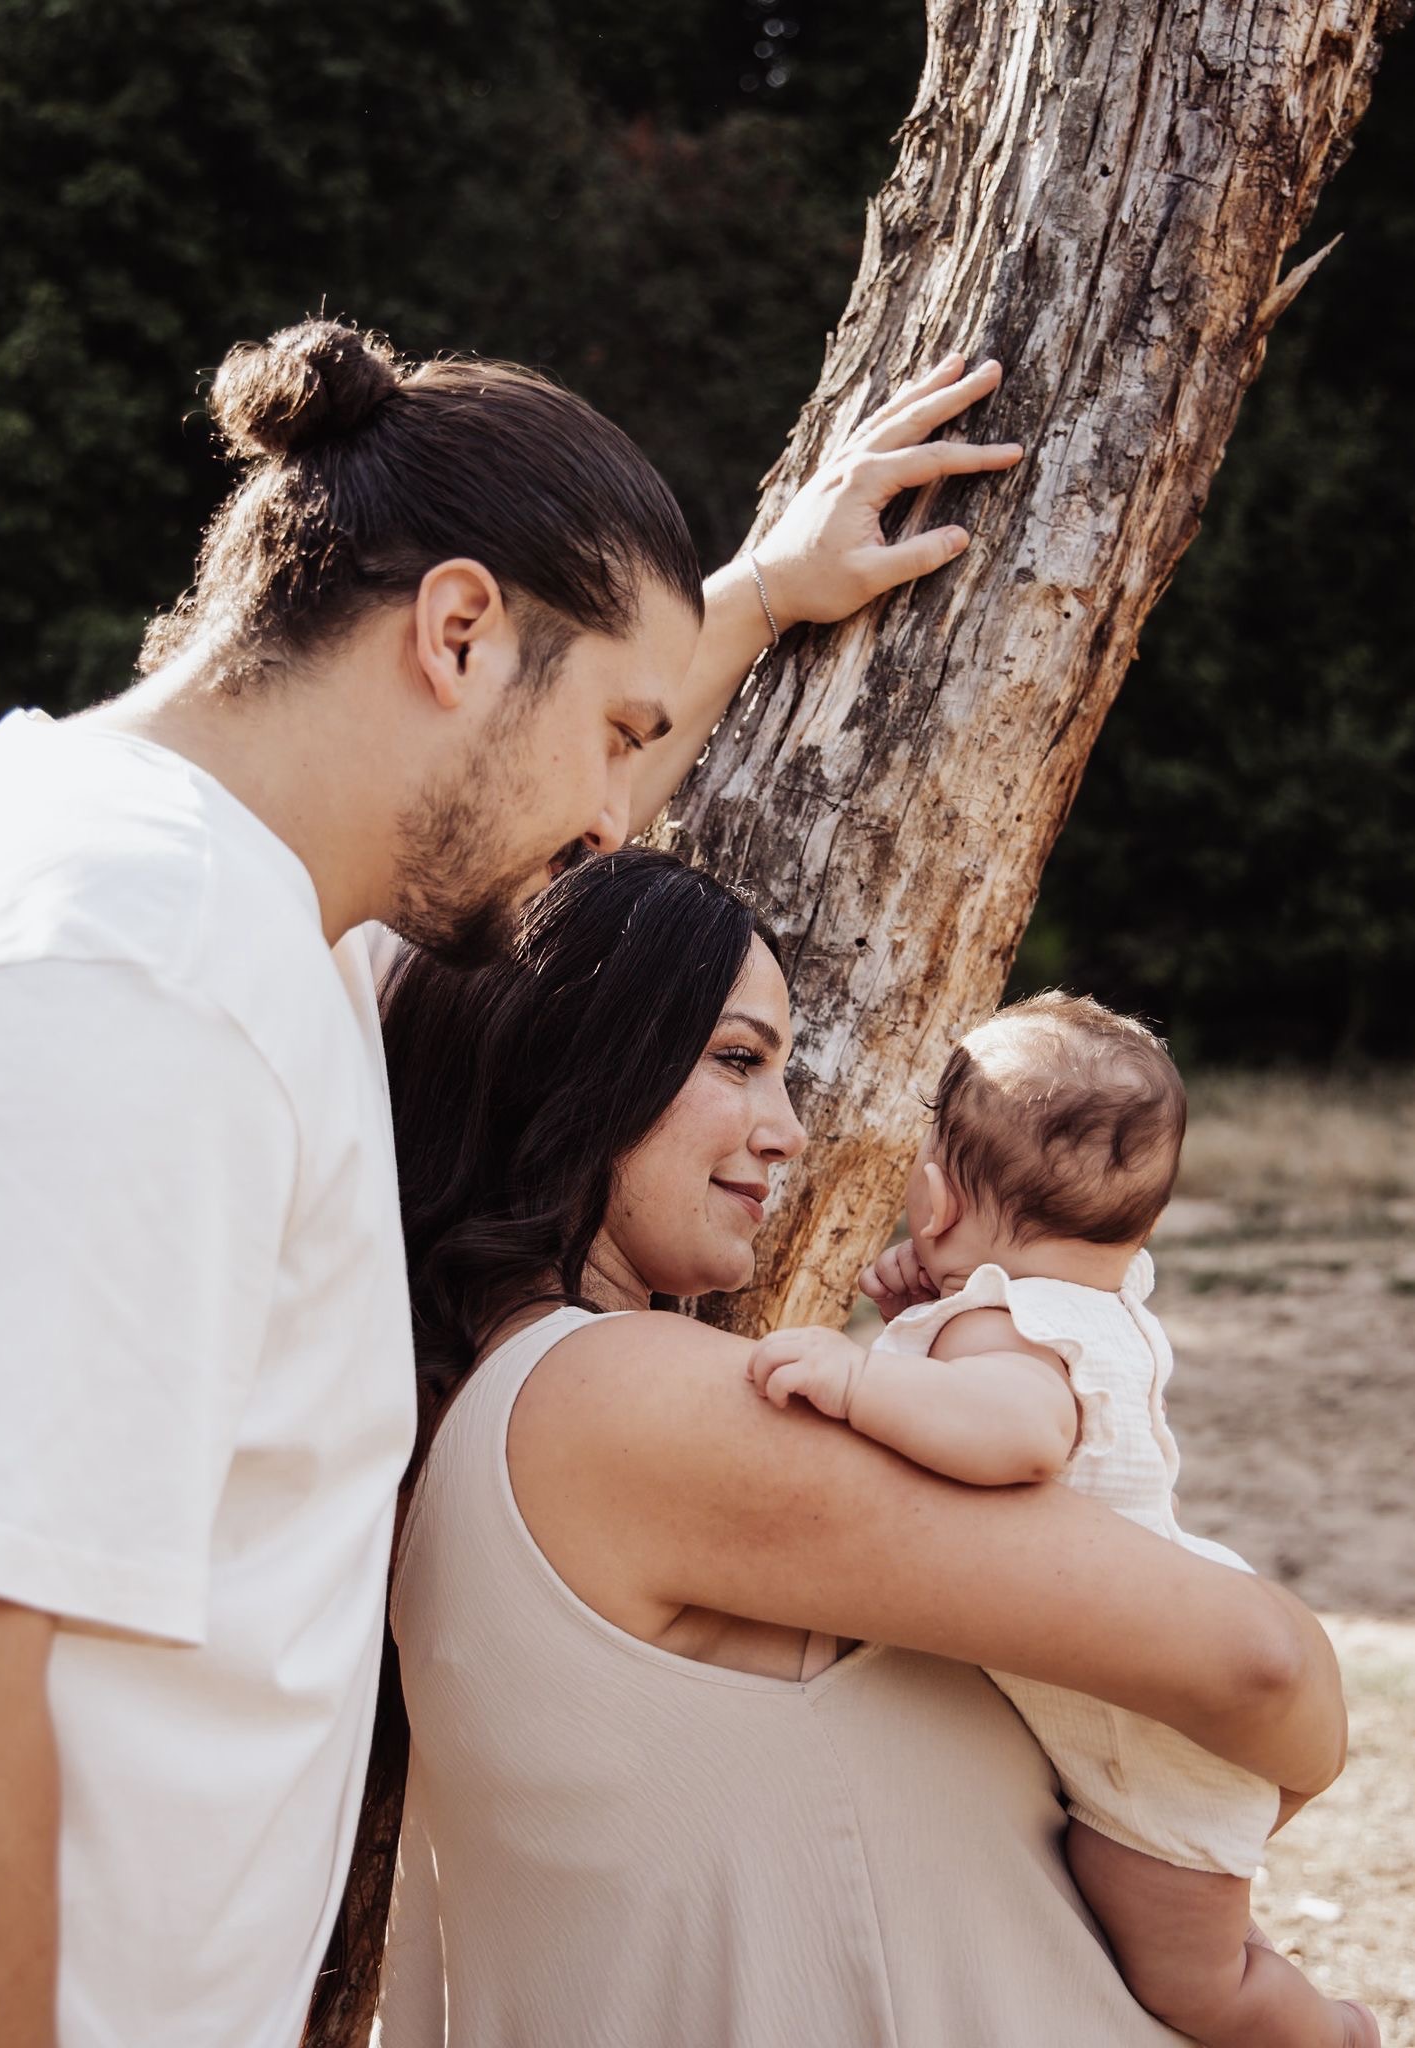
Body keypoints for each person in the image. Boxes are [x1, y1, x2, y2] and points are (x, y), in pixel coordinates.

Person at [0, 315, 1019, 2048]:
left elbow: (540, 764)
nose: (623, 814)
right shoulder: (120, 977)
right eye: (623, 732)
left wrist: (757, 594)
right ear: (457, 629)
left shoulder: (256, 917)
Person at [374, 848, 1347, 2048]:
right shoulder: (617, 1396)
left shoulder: (498, 1416)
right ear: (570, 1055)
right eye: (737, 1058)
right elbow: (1263, 1664)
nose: (786, 1131)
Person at [746, 992, 1378, 2048]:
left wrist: (861, 1378)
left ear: (936, 1199)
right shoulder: (1094, 1301)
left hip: (1144, 1743)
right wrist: (924, 1325)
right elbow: (1003, 1392)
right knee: (1168, 1926)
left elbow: (1022, 1436)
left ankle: (1336, 2031)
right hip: (1152, 1686)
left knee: (1191, 1980)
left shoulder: (1003, 1335)